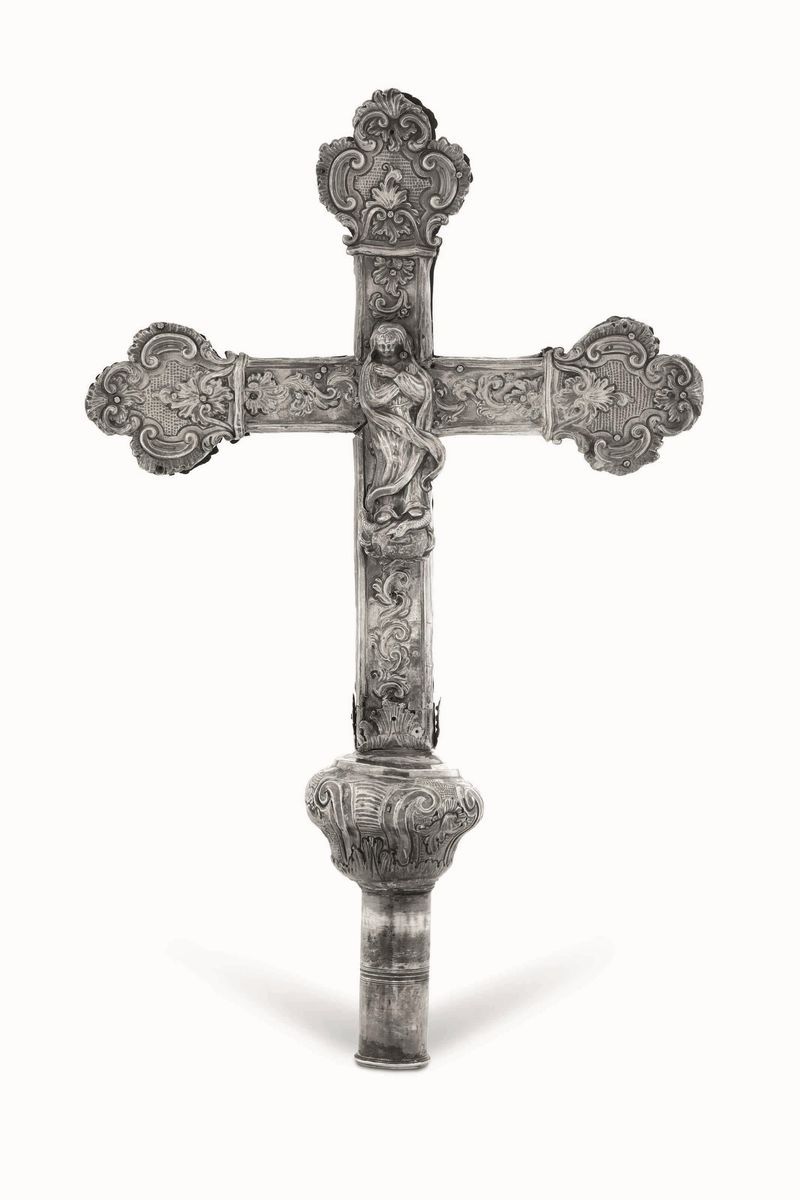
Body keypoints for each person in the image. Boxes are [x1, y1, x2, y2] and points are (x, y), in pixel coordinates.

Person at [359, 324, 445, 529]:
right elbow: (372, 398)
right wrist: (399, 384)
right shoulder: (371, 369)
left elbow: (422, 393)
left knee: (413, 458)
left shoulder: (410, 367)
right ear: (375, 346)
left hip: (410, 422)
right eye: (382, 346)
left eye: (390, 345)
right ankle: (385, 505)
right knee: (389, 459)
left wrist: (396, 376)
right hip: (385, 425)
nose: (387, 349)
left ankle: (413, 501)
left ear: (400, 344)